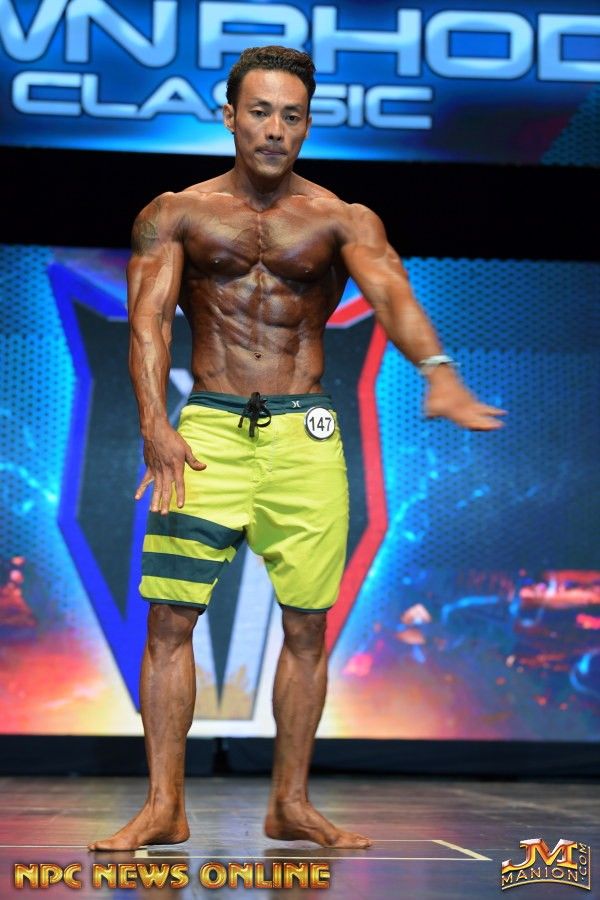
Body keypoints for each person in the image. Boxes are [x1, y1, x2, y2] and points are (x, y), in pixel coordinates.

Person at [88, 46, 505, 852]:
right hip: (207, 432)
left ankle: (291, 804)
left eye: (292, 115)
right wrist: (154, 424)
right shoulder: (175, 212)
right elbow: (148, 323)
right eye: (260, 112)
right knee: (170, 617)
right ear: (229, 116)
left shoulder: (341, 218)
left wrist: (439, 371)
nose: (275, 129)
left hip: (305, 434)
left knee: (307, 625)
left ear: (307, 124)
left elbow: (392, 292)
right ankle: (163, 805)